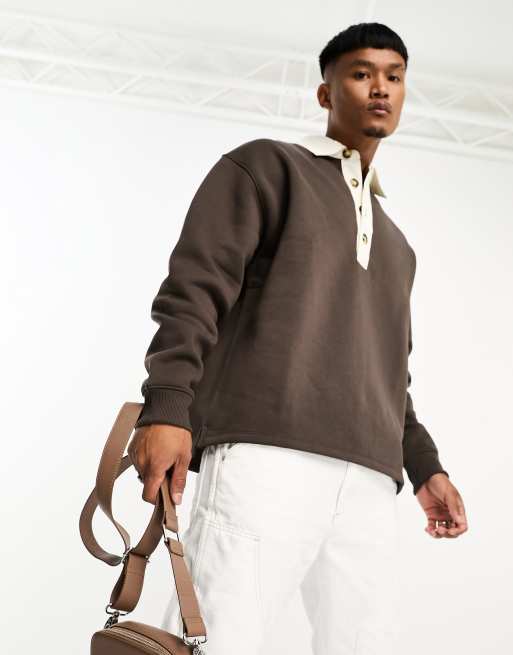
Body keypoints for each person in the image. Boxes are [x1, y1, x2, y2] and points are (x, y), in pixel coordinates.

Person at [128, 22, 468, 655]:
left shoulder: (398, 246)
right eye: (361, 73)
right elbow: (194, 290)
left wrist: (425, 466)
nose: (380, 88)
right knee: (221, 637)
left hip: (370, 480)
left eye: (394, 76)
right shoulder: (266, 167)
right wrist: (167, 406)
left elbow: (391, 373)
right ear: (325, 93)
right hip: (266, 453)